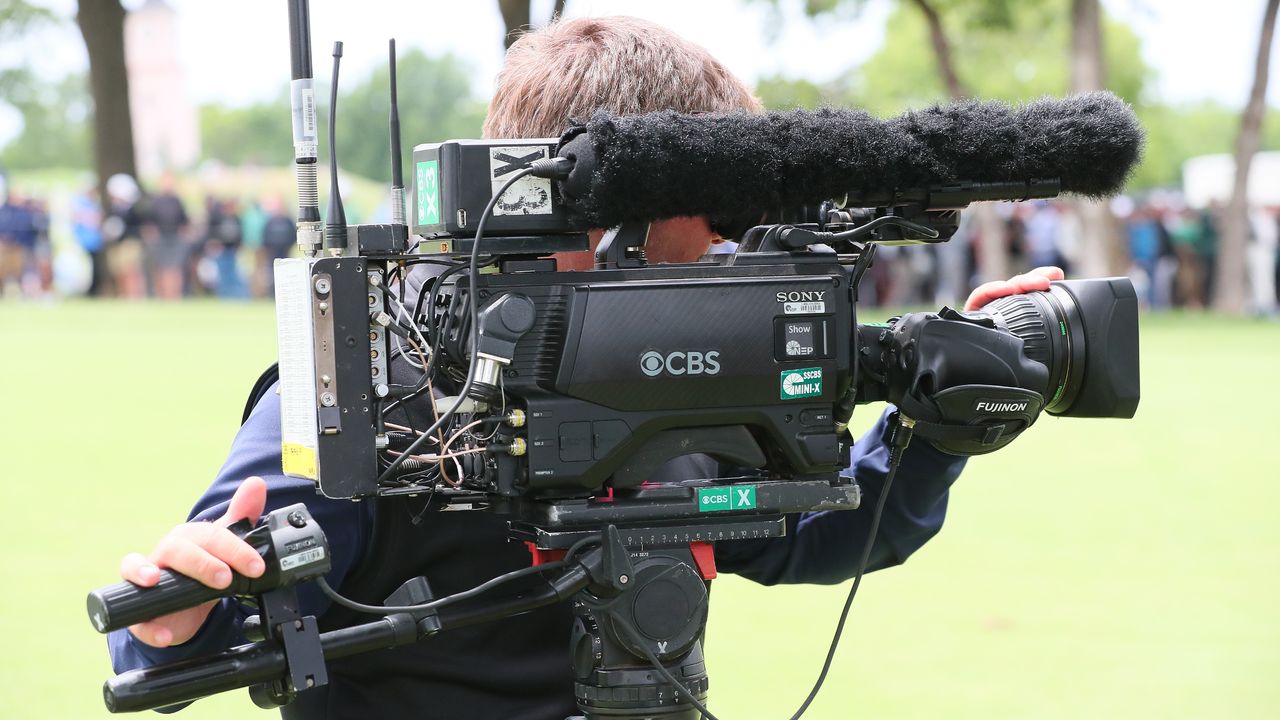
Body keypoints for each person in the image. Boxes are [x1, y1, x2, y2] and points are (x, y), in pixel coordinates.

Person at [107, 17, 1064, 720]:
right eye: (724, 215)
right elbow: (188, 620)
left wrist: (935, 423)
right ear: (616, 208)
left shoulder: (706, 354)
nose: (737, 254)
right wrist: (171, 620)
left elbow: (816, 535)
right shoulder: (379, 386)